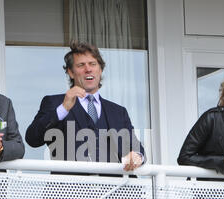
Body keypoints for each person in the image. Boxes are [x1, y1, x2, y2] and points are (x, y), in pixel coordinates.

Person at [25, 41, 145, 171]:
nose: (88, 69)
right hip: (70, 188)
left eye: (93, 64)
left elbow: (137, 149)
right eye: (81, 65)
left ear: (100, 69)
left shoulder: (118, 112)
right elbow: (33, 139)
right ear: (71, 72)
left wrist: (137, 156)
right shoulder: (55, 103)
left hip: (114, 188)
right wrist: (63, 109)